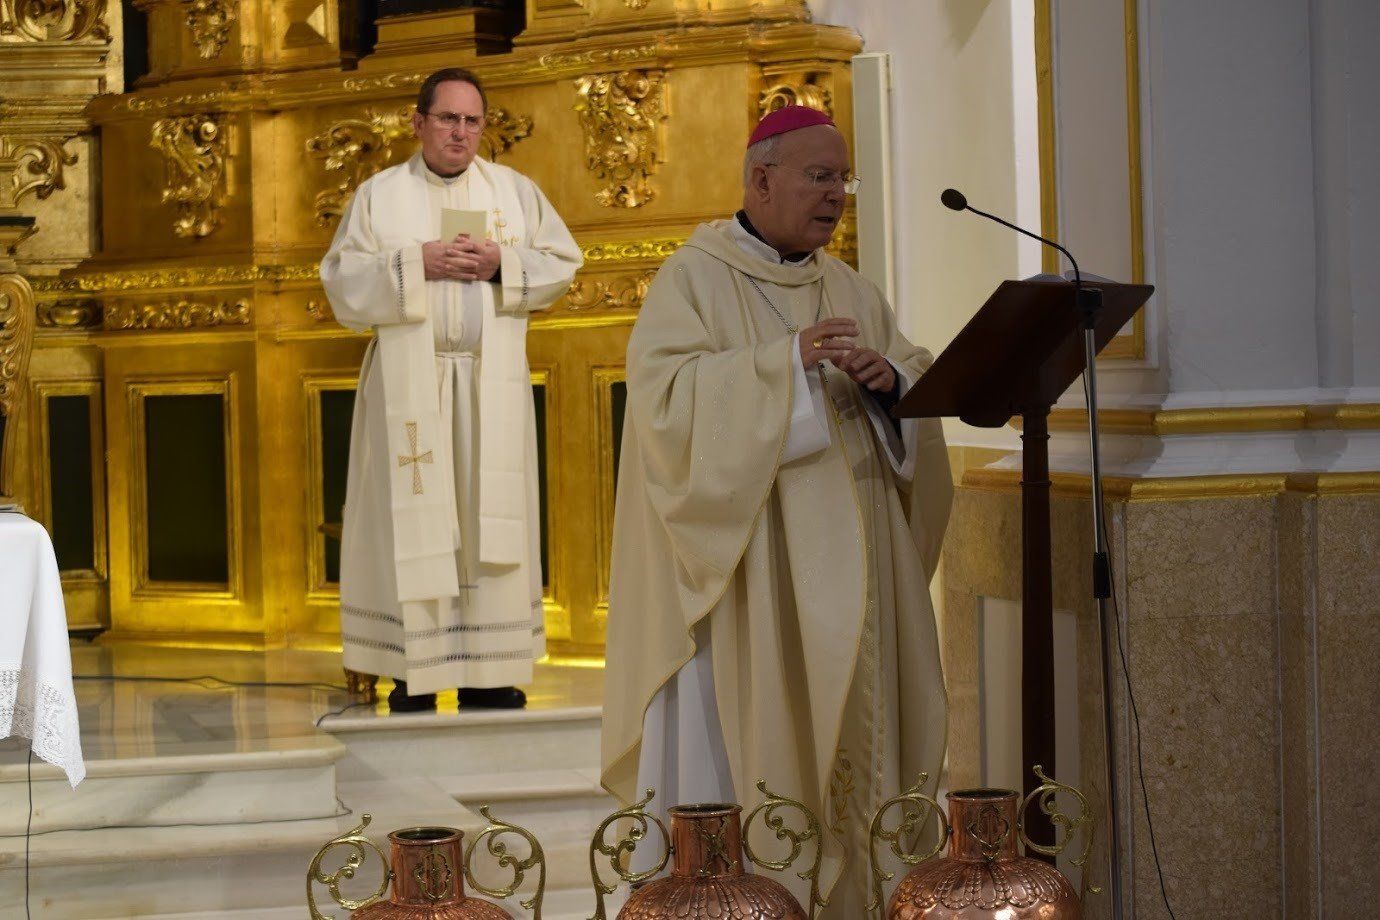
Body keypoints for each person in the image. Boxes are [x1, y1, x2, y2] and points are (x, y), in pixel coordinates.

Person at [601, 105, 952, 911]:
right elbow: (663, 406)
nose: (836, 196)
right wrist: (782, 364)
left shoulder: (849, 285)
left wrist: (892, 385)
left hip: (860, 578)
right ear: (761, 180)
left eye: (844, 180)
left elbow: (916, 374)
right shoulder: (694, 277)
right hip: (753, 579)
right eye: (819, 177)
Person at [321, 67, 581, 712]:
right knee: (415, 520)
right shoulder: (380, 195)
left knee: (487, 521)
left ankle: (490, 669)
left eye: (471, 120)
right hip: (409, 389)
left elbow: (563, 264)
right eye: (447, 118)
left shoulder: (515, 192)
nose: (460, 132)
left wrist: (501, 263)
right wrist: (416, 263)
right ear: (418, 122)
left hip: (491, 384)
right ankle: (413, 669)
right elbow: (342, 282)